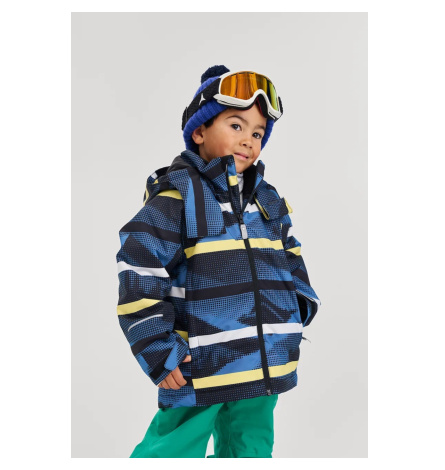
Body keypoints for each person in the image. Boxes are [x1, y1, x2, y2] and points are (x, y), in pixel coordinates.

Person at [115, 65, 321, 458]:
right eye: (236, 126)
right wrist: (157, 347)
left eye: (257, 133)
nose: (248, 140)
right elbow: (139, 269)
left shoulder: (266, 200)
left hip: (263, 362)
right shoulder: (177, 198)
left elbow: (290, 254)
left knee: (251, 448)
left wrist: (298, 306)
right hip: (199, 366)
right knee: (172, 450)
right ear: (199, 131)